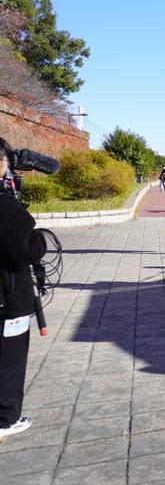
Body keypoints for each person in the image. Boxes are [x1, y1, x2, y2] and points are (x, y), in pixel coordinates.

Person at [0, 137, 47, 442]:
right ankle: (6, 418)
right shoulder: (3, 204)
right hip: (8, 297)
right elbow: (25, 249)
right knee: (10, 359)